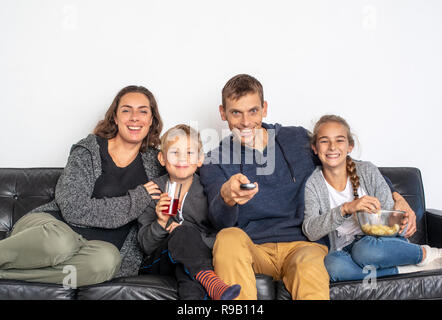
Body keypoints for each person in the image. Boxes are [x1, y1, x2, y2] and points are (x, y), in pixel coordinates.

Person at [199, 74, 418, 300]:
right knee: (227, 238)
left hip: (303, 245)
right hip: (253, 248)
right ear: (222, 113)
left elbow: (346, 164)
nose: (245, 122)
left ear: (264, 109)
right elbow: (219, 221)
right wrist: (226, 197)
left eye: (253, 111)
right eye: (236, 112)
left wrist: (396, 196)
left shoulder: (296, 139)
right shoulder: (214, 160)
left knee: (311, 263)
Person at [0, 85, 165, 286]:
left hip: (93, 250)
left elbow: (186, 167)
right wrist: (136, 198)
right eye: (126, 110)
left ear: (151, 120)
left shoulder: (156, 164)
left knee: (108, 261)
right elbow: (73, 208)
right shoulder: (89, 150)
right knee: (61, 243)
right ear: (115, 117)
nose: (134, 117)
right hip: (50, 229)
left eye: (143, 111)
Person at [302, 114, 442, 282]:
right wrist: (346, 209)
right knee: (332, 265)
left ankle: (428, 253)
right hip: (345, 251)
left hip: (378, 244)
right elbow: (310, 230)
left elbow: (393, 221)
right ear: (315, 148)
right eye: (324, 141)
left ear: (350, 146)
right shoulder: (313, 184)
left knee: (365, 250)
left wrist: (371, 217)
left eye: (339, 140)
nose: (332, 147)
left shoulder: (367, 171)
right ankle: (405, 269)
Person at [137, 124, 241, 300]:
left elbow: (221, 235)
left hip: (196, 260)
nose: (182, 159)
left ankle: (206, 279)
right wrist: (161, 223)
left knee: (188, 271)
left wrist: (188, 239)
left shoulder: (208, 189)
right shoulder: (153, 191)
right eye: (174, 153)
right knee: (183, 237)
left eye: (190, 153)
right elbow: (145, 246)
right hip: (161, 260)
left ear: (200, 159)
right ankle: (211, 281)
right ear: (162, 158)